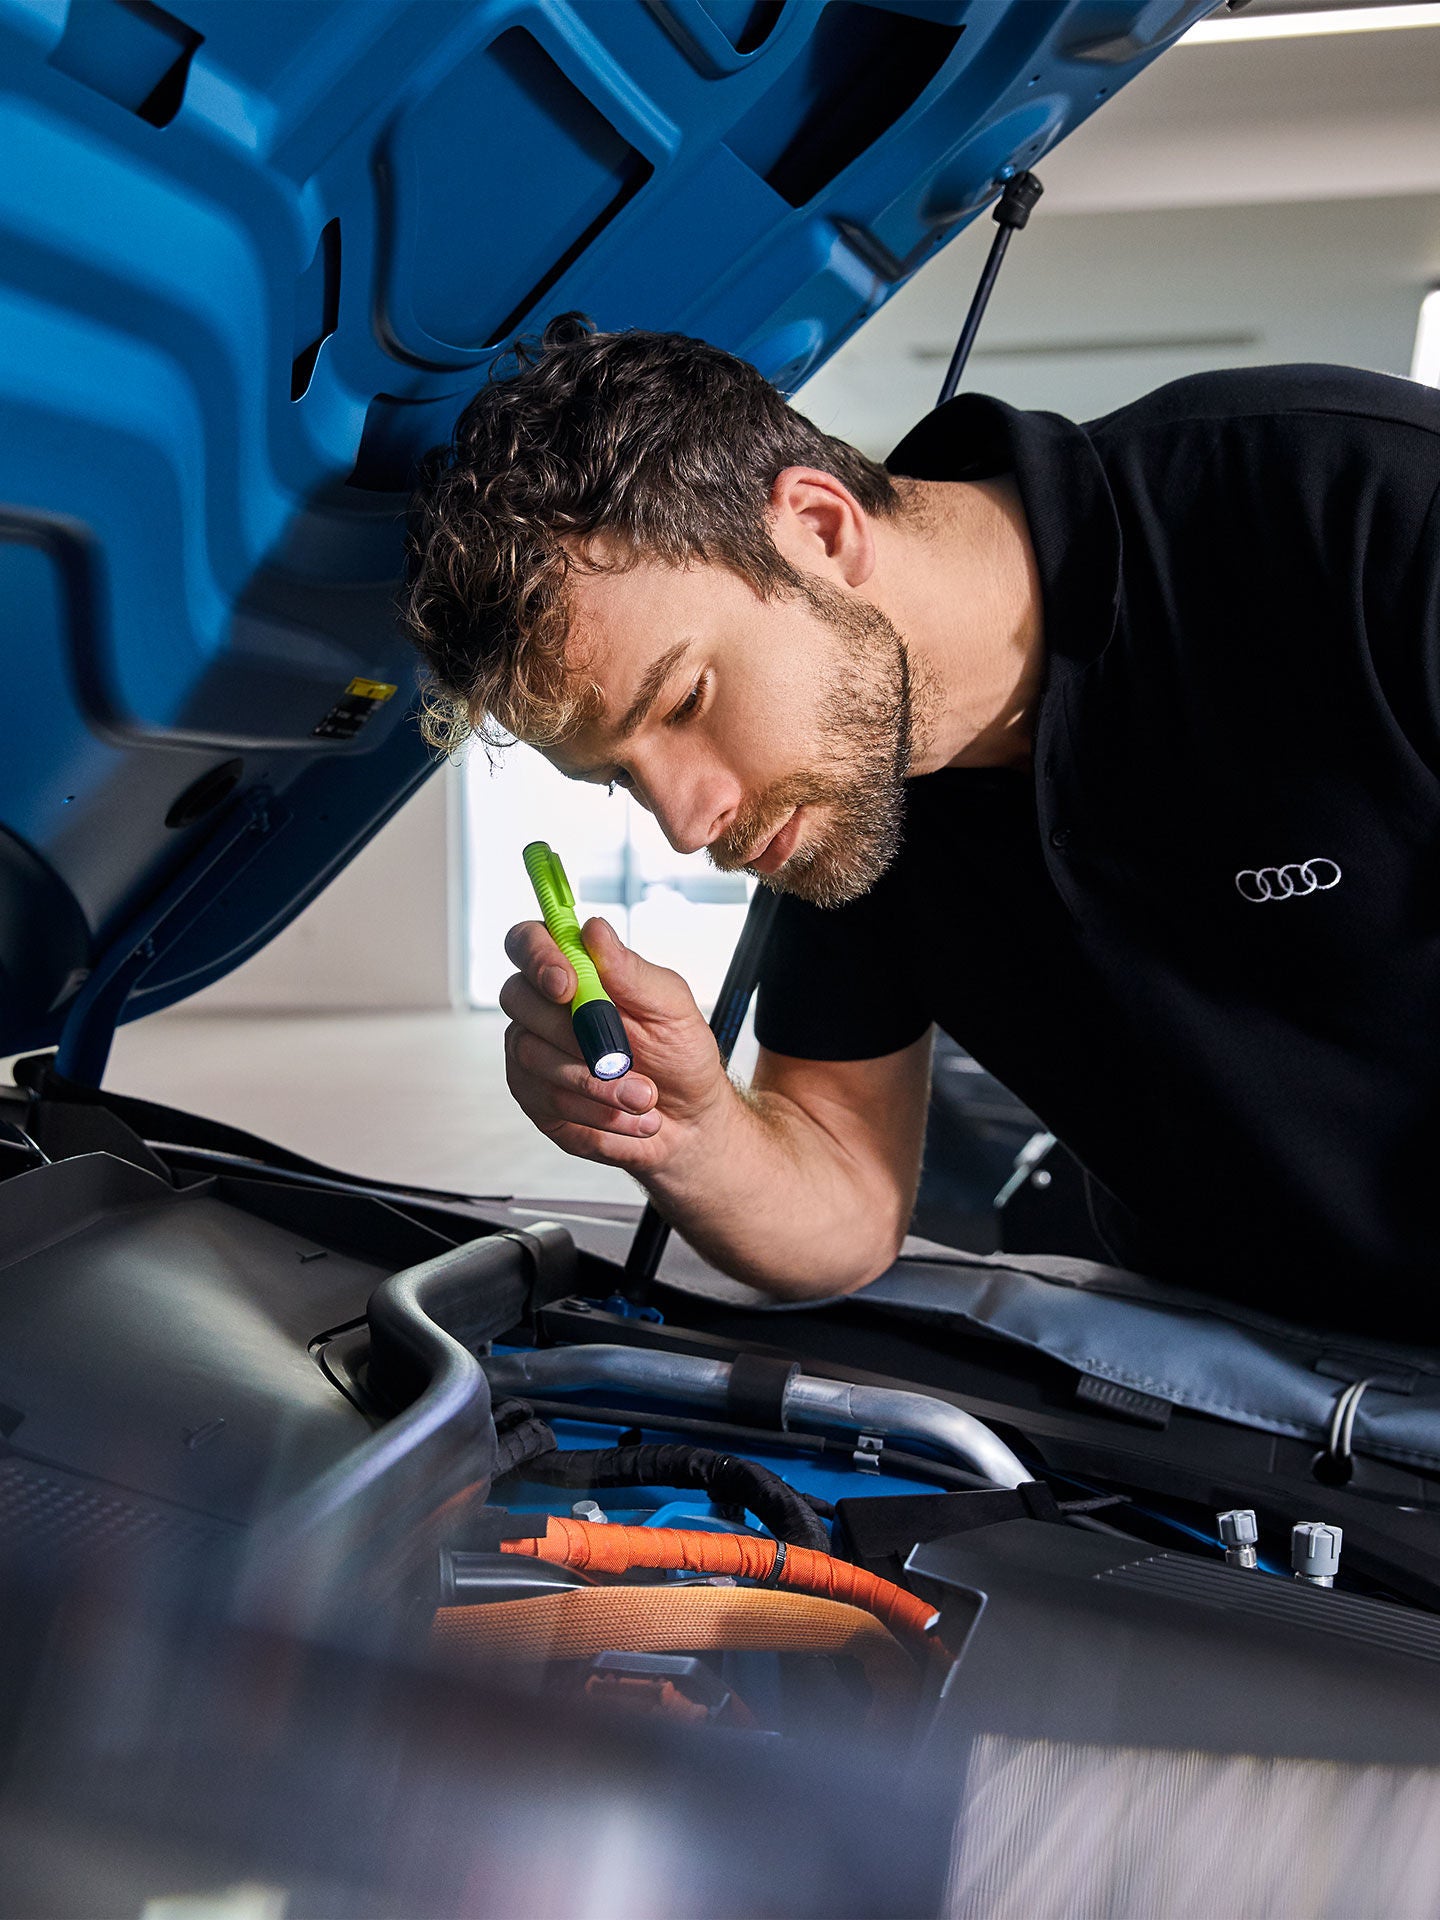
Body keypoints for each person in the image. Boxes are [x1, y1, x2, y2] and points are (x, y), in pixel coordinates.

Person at [403, 313, 1440, 1333]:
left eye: (682, 703)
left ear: (820, 528)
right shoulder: (851, 784)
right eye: (620, 782)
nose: (686, 824)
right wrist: (692, 1131)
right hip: (1243, 1382)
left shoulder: (1362, 508)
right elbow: (845, 1212)